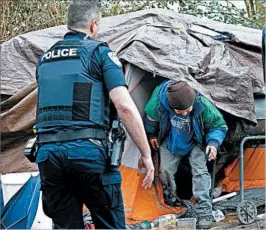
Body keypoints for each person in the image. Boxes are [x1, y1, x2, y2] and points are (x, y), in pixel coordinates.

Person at [35, 0, 154, 229]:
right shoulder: (99, 53)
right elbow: (124, 106)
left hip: (48, 156)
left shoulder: (45, 59)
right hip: (88, 153)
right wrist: (145, 154)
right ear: (93, 24)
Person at [144, 80, 227, 229]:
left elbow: (218, 125)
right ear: (171, 106)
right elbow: (150, 119)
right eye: (180, 112)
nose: (185, 113)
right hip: (171, 139)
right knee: (164, 171)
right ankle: (172, 200)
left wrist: (213, 143)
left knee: (199, 170)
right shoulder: (157, 102)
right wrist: (151, 134)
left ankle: (204, 209)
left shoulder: (202, 104)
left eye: (188, 110)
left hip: (196, 140)